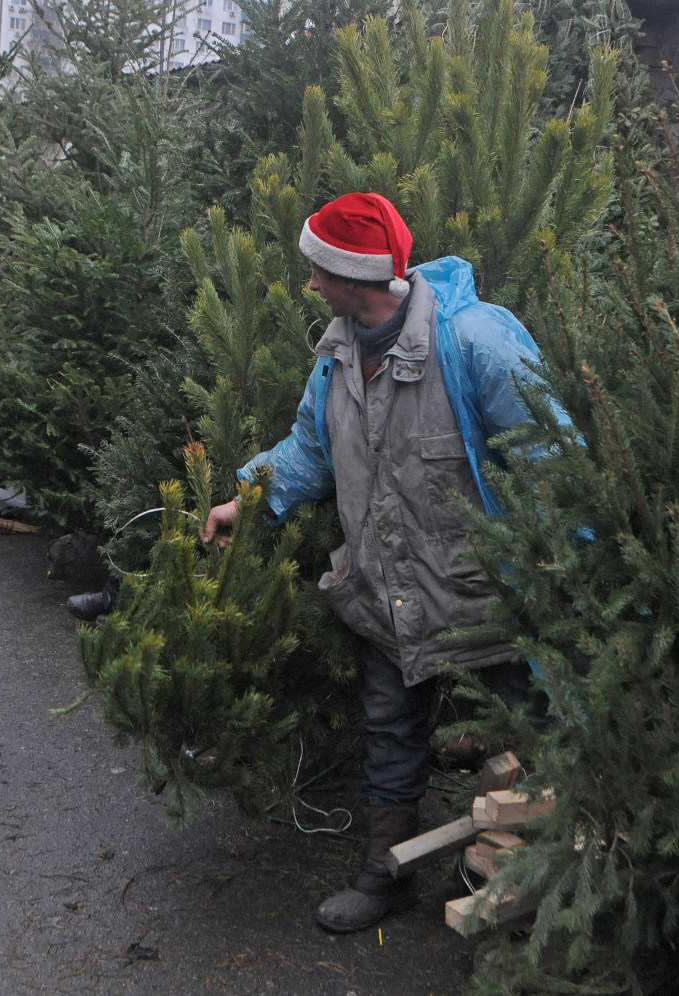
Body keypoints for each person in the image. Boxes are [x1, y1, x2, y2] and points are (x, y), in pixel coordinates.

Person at [199, 192, 555, 935]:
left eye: (316, 272)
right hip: (386, 590)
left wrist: (570, 580)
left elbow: (555, 462)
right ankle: (386, 873)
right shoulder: (336, 356)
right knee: (390, 730)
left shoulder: (475, 342)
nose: (309, 285)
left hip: (487, 596)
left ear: (352, 276)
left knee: (530, 731)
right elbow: (307, 449)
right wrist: (247, 499)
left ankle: (545, 885)